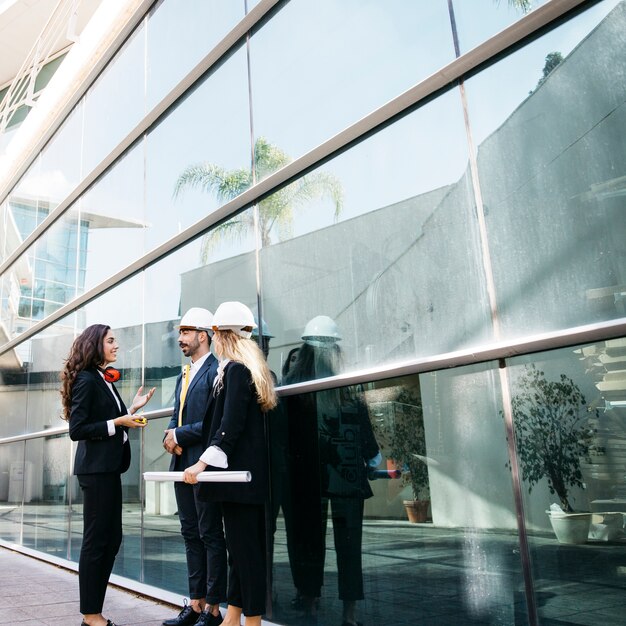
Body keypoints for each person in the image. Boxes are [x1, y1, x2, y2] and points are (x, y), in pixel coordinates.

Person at [183, 301, 277, 626]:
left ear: (221, 334)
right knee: (239, 550)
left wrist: (202, 465)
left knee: (246, 553)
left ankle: (251, 620)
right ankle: (233, 615)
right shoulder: (241, 369)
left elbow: (229, 426)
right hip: (240, 481)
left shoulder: (237, 370)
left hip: (239, 480)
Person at [284, 316, 380, 626]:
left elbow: (286, 435)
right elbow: (364, 427)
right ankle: (348, 614)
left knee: (308, 540)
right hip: (345, 473)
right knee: (349, 546)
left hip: (310, 477)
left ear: (305, 349)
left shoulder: (294, 387)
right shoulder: (347, 383)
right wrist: (373, 457)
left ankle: (311, 603)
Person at [60, 324, 155, 626]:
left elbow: (110, 421)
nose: (117, 345)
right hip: (96, 471)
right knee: (97, 541)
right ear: (95, 345)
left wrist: (131, 410)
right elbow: (78, 430)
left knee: (111, 539)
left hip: (108, 470)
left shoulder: (103, 380)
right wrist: (119, 420)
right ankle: (91, 616)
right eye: (111, 341)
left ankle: (94, 612)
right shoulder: (88, 380)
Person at [162, 308, 227, 626]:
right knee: (190, 534)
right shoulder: (183, 374)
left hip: (205, 466)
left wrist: (179, 434)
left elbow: (213, 423)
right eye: (180, 333)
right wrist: (169, 434)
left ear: (203, 335)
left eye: (185, 332)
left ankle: (214, 608)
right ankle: (197, 604)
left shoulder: (218, 371)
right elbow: (178, 414)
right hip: (181, 464)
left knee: (210, 534)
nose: (180, 338)